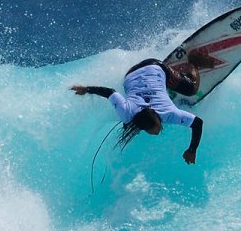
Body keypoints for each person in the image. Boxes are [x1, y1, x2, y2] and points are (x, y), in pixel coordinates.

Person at [71, 51, 216, 164]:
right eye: (152, 130)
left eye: (156, 127)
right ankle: (173, 80)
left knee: (191, 89)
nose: (158, 131)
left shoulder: (169, 113)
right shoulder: (126, 113)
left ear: (158, 118)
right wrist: (87, 89)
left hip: (156, 67)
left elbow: (198, 123)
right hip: (131, 73)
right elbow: (110, 92)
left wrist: (192, 150)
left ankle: (194, 62)